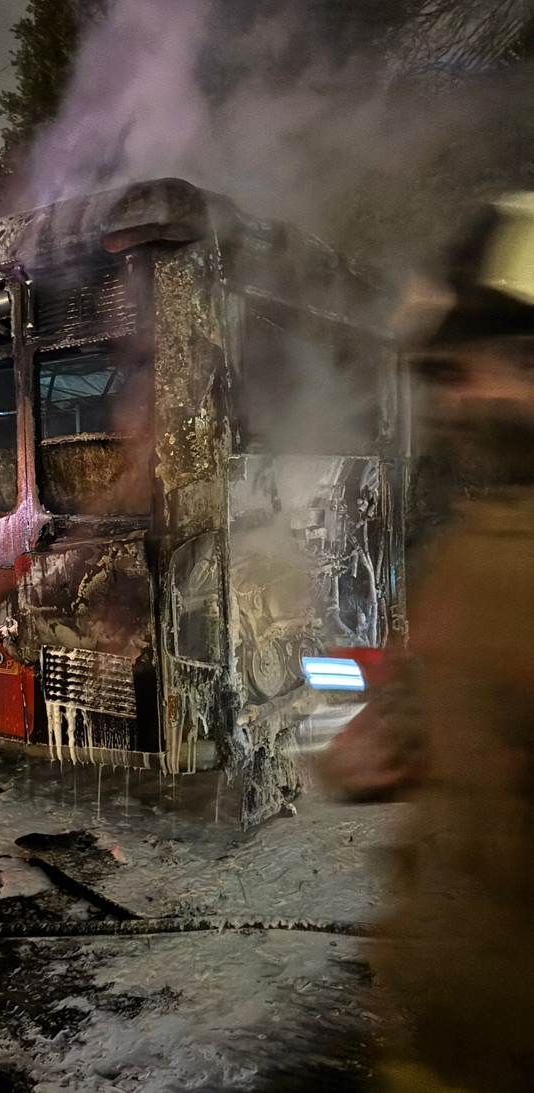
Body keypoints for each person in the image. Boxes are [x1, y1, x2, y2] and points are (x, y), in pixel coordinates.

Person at [318, 192, 534, 1093]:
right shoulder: (478, 542)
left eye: (503, 362)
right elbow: (426, 727)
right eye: (447, 376)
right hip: (431, 1038)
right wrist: (369, 756)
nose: (461, 399)